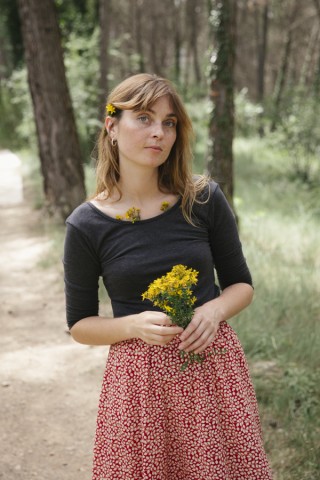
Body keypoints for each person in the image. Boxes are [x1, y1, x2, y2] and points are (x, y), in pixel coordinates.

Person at [63, 73, 272, 480]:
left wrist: (212, 312)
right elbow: (80, 326)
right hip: (138, 387)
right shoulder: (85, 225)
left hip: (212, 369)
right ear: (111, 126)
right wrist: (132, 325)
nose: (159, 132)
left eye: (169, 122)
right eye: (144, 118)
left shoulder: (205, 199)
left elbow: (241, 285)